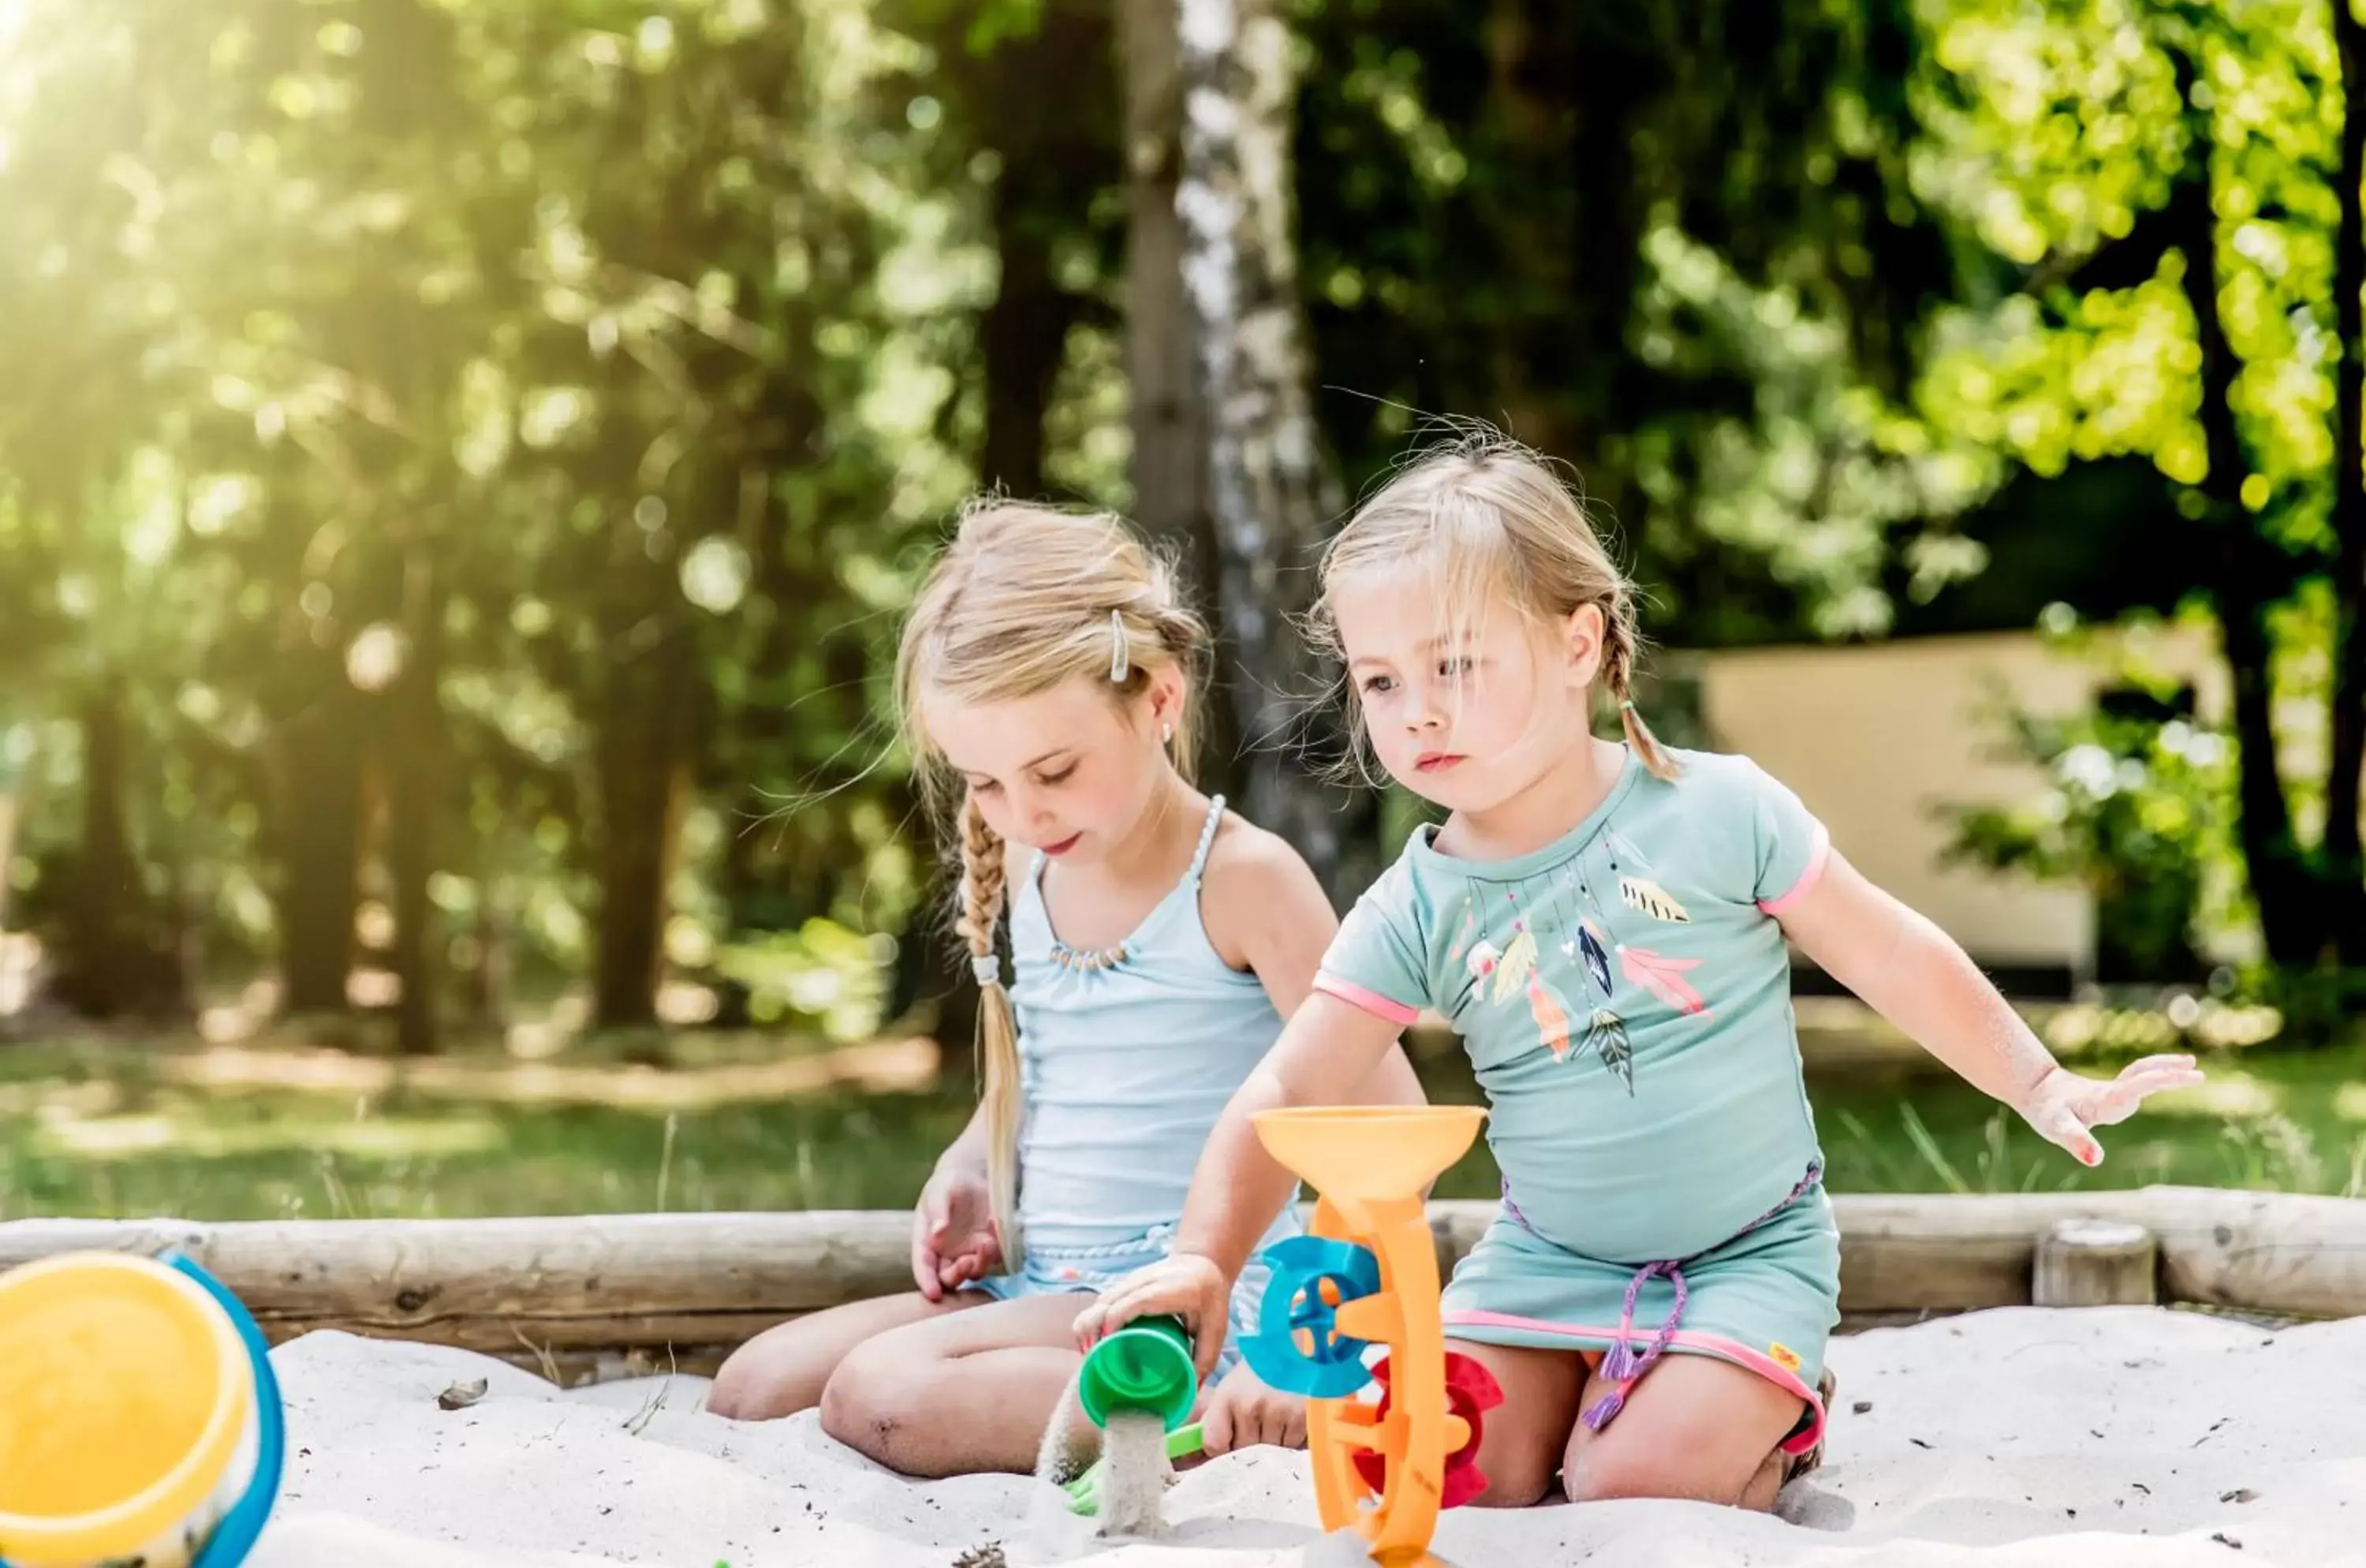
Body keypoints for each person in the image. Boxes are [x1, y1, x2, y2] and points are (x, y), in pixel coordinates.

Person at [1075, 431, 2202, 1510]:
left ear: (1577, 645)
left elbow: (1891, 952)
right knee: (1454, 1471)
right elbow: (1288, 1089)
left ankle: (1775, 1409)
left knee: (1629, 1483)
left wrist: (2039, 1080)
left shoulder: (1719, 812)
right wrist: (1204, 1259)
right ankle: (1608, 1396)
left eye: (1455, 664)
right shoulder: (1415, 905)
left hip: (1747, 1253)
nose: (1414, 710)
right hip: (1542, 1265)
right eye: (1378, 681)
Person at [706, 498, 1424, 1478]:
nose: (1022, 810)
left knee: (882, 1395)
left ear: (1159, 701)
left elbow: (1392, 1125)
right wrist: (970, 1162)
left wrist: (1317, 1347)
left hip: (1191, 1298)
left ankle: (1209, 1412)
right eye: (986, 782)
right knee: (754, 1384)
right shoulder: (1034, 872)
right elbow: (1043, 1078)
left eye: (1053, 768)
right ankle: (1123, 1404)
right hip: (1048, 1284)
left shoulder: (1243, 880)